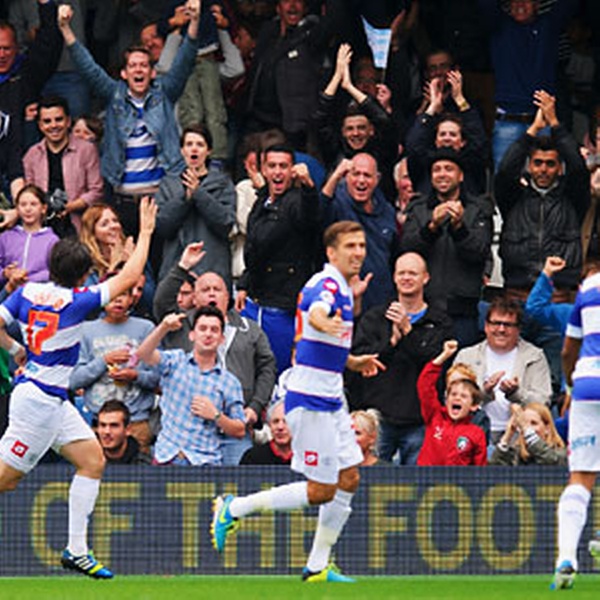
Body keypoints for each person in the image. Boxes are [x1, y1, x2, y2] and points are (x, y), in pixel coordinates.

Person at [210, 220, 385, 583]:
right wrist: (324, 323)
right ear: (331, 252)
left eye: (361, 245)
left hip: (331, 396)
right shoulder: (325, 285)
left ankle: (317, 566)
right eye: (350, 246)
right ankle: (233, 507)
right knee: (321, 489)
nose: (358, 252)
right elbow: (317, 312)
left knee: (349, 477)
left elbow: (316, 342)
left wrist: (352, 361)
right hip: (311, 399)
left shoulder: (343, 286)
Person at [0, 197, 157, 579]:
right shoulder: (74, 302)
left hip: (52, 400)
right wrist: (146, 233)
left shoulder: (27, 292)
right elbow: (130, 278)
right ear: (83, 275)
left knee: (92, 461)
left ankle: (77, 550)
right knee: (5, 480)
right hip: (38, 404)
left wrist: (17, 349)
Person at [57, 1, 200, 236]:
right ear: (124, 73)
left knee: (160, 258)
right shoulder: (114, 94)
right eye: (133, 66)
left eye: (144, 66)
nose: (138, 70)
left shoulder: (164, 92)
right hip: (122, 201)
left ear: (152, 72)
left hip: (160, 199)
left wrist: (194, 21)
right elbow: (88, 67)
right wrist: (65, 28)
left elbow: (185, 61)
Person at [153, 243, 277, 465]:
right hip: (190, 431)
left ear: (227, 296)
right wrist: (182, 267)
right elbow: (161, 301)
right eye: (205, 289)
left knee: (237, 481)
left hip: (233, 429)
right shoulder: (181, 324)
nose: (212, 293)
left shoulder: (250, 329)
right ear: (194, 298)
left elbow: (267, 368)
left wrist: (255, 407)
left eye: (217, 289)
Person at [351, 252, 453, 465]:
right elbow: (360, 361)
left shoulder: (439, 321)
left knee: (414, 482)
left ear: (425, 278)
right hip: (378, 418)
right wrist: (391, 343)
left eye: (413, 273)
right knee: (372, 480)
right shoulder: (375, 318)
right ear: (394, 277)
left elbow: (434, 363)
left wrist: (408, 332)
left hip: (418, 419)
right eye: (402, 273)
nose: (406, 278)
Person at [495, 90, 590, 296]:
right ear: (529, 166)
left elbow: (578, 168)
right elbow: (505, 171)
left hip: (558, 292)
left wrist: (555, 123)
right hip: (517, 290)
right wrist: (533, 129)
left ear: (559, 168)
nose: (543, 169)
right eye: (537, 163)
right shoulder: (514, 198)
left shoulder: (572, 198)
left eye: (550, 164)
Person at [236, 143, 320, 373]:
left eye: (283, 166)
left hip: (283, 305)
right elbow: (254, 250)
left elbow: (309, 218)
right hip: (256, 300)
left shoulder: (296, 201)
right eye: (272, 166)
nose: (277, 172)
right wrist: (243, 284)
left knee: (277, 370)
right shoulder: (262, 200)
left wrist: (309, 187)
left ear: (293, 170)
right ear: (263, 169)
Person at [401, 147, 493, 346]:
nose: (442, 174)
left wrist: (459, 228)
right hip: (424, 309)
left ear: (460, 176)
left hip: (462, 311)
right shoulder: (418, 209)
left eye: (449, 169)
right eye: (437, 170)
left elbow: (480, 252)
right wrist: (431, 227)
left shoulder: (478, 209)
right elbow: (407, 249)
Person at [136, 305, 246, 466]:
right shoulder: (175, 361)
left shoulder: (230, 382)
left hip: (205, 462)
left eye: (214, 330)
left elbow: (240, 430)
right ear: (192, 335)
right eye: (202, 328)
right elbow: (143, 354)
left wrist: (216, 416)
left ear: (222, 339)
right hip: (167, 456)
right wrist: (164, 327)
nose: (208, 334)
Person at [552, 264, 600, 589]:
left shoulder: (590, 286)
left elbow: (569, 349)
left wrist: (570, 386)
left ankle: (566, 558)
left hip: (588, 384)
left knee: (581, 476)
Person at [69, 286, 160, 454]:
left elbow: (158, 378)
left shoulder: (146, 328)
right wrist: (104, 361)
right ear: (102, 300)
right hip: (99, 423)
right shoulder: (85, 331)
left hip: (136, 422)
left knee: (140, 468)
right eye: (112, 295)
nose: (118, 300)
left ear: (131, 299)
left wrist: (135, 376)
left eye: (123, 295)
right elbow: (74, 380)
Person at [454, 296, 553, 443]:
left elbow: (543, 402)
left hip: (521, 438)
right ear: (486, 326)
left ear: (518, 329)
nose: (501, 329)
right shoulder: (466, 356)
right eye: (496, 323)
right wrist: (484, 391)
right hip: (474, 435)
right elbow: (451, 400)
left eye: (508, 325)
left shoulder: (535, 356)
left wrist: (516, 393)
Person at [155, 123, 236, 284]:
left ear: (208, 151)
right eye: (189, 144)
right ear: (182, 150)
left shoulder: (223, 183)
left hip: (212, 267)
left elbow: (225, 223)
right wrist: (185, 198)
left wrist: (199, 194)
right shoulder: (168, 184)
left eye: (200, 144)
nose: (194, 149)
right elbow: (163, 226)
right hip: (176, 267)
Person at [0, 0, 62, 203]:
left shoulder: (26, 75)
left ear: (17, 48)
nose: (1, 55)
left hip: (22, 176)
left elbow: (48, 43)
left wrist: (46, 5)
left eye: (7, 48)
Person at [321, 152, 397, 312]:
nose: (361, 180)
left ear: (377, 179)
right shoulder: (336, 205)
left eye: (367, 175)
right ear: (346, 177)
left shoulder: (387, 211)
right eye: (356, 174)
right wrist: (335, 177)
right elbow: (317, 214)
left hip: (381, 302)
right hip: (342, 302)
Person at [22, 95, 103, 235]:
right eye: (47, 121)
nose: (53, 125)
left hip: (78, 226)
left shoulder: (86, 150)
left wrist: (71, 207)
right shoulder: (32, 155)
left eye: (59, 119)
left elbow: (97, 191)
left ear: (68, 121)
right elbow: (29, 193)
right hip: (42, 227)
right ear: (40, 125)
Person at [416, 340, 487, 466]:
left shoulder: (476, 433)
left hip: (457, 479)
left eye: (463, 396)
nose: (457, 398)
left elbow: (480, 469)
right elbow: (425, 384)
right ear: (446, 398)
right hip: (427, 477)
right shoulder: (434, 416)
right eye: (453, 394)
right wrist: (444, 356)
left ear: (474, 406)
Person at [0, 184, 58, 287]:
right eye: (23, 204)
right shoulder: (6, 237)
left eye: (33, 204)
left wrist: (27, 278)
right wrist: (6, 273)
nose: (28, 209)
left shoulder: (52, 240)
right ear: (17, 208)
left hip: (39, 291)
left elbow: (55, 272)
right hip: (8, 292)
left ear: (43, 208)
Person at [489, 402, 566, 466]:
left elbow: (550, 461)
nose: (528, 429)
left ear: (547, 428)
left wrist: (526, 428)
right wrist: (507, 435)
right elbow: (495, 470)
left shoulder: (561, 453)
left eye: (534, 423)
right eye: (524, 424)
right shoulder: (516, 455)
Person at [96, 400, 152, 465]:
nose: (107, 431)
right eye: (103, 425)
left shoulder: (143, 465)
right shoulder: (88, 460)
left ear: (128, 430)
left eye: (114, 425)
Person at [240, 399, 292, 465]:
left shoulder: (303, 456)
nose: (280, 427)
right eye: (275, 421)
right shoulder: (252, 457)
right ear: (269, 425)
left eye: (286, 422)